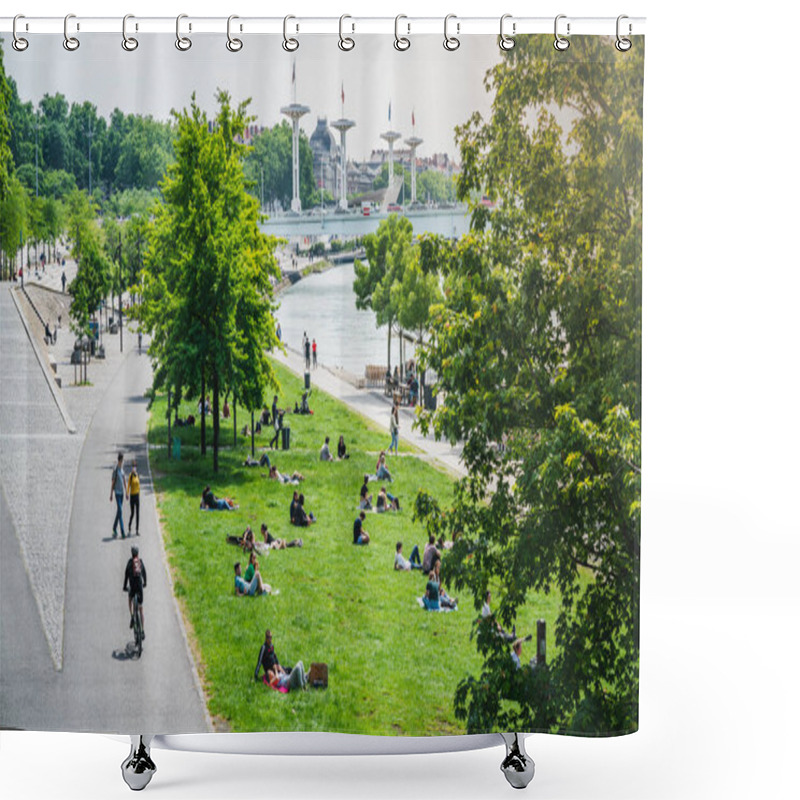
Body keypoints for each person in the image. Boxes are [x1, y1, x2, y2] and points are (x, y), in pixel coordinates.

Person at [123, 546, 147, 638]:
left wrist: (125, 587)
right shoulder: (140, 562)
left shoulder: (129, 563)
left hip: (132, 587)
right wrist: (145, 583)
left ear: (131, 553)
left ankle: (132, 615)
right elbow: (144, 574)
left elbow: (125, 576)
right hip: (139, 587)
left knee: (130, 599)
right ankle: (142, 631)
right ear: (138, 553)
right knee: (141, 609)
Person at [110, 452, 129, 538]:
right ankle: (122, 532)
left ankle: (114, 527)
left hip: (122, 494)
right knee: (120, 511)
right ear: (119, 460)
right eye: (122, 461)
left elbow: (125, 481)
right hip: (117, 493)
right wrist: (111, 494)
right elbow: (113, 482)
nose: (122, 462)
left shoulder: (122, 470)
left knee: (119, 511)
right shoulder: (116, 470)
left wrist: (126, 492)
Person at [127, 459, 141, 536]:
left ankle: (137, 530)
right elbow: (128, 485)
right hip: (132, 496)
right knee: (132, 513)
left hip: (137, 496)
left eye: (135, 466)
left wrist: (139, 495)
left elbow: (139, 486)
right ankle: (129, 526)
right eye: (133, 466)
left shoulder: (137, 475)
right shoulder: (130, 476)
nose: (134, 468)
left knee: (138, 514)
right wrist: (127, 494)